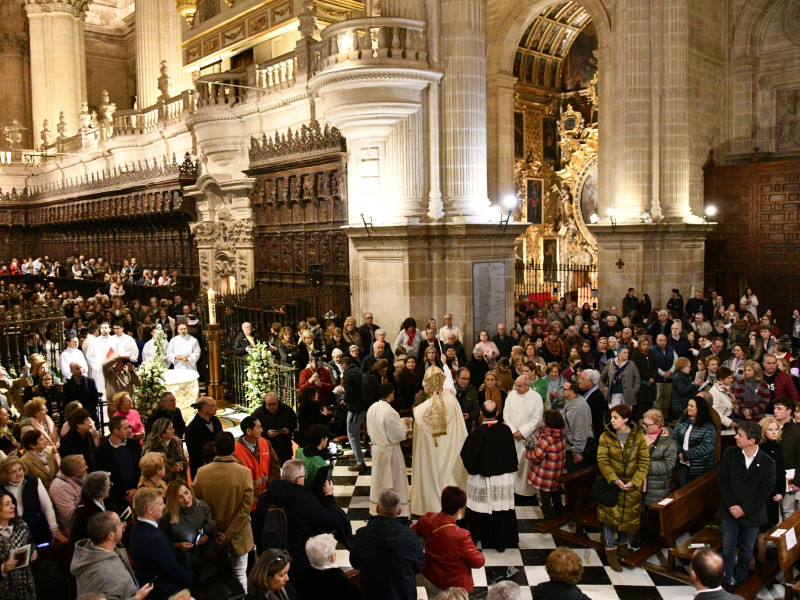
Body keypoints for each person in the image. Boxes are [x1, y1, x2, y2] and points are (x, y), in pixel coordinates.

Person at [192, 432, 255, 591]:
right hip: (239, 534)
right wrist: (228, 534)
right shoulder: (244, 472)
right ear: (234, 449)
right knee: (240, 574)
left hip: (211, 536)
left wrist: (215, 531)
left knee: (216, 578)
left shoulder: (202, 473)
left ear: (215, 449)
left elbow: (195, 505)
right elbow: (245, 509)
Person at [261, 459, 349, 569]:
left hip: (271, 557)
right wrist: (329, 496)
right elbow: (332, 522)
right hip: (300, 558)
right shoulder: (304, 500)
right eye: (304, 476)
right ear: (298, 480)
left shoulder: (265, 497)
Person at [718, 421, 775, 591]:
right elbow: (723, 482)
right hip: (730, 510)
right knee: (728, 547)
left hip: (753, 512)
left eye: (740, 435)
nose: (736, 437)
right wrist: (733, 506)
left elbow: (764, 493)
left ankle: (742, 577)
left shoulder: (767, 463)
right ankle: (727, 577)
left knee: (747, 547)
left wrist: (744, 509)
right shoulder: (730, 454)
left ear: (752, 441)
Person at [459, 399, 518, 551]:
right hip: (503, 479)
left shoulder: (476, 434)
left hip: (482, 479)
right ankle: (501, 541)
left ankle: (479, 536)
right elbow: (511, 454)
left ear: (481, 413)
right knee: (501, 508)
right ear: (497, 413)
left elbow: (466, 456)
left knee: (481, 509)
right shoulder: (505, 431)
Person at [596, 404, 650, 572]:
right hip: (612, 485)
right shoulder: (606, 436)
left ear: (626, 419)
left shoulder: (638, 437)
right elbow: (603, 460)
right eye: (611, 417)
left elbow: (644, 462)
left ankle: (623, 547)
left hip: (631, 486)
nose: (611, 421)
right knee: (609, 519)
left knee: (627, 518)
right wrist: (614, 479)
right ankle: (611, 553)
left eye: (615, 417)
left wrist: (635, 481)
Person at [410, 365, 469, 515]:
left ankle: (430, 506)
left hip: (432, 454)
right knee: (449, 477)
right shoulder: (452, 400)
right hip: (451, 450)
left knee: (435, 477)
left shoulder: (422, 410)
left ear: (428, 387)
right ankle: (454, 509)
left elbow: (419, 425)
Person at [350, 488, 425, 600]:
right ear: (399, 511)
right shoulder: (410, 537)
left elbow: (355, 562)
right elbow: (419, 567)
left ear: (377, 508)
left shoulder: (362, 535)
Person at [411, 486, 484, 597]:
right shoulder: (461, 536)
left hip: (431, 578)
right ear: (459, 511)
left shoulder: (427, 519)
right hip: (454, 588)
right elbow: (479, 561)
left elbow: (410, 535)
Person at [70, 510, 153, 600]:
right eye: (119, 524)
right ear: (111, 536)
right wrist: (137, 598)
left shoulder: (94, 550)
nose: (122, 524)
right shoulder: (104, 575)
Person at [129, 488, 195, 600]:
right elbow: (172, 570)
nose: (164, 506)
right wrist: (192, 578)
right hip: (166, 593)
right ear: (150, 510)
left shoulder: (138, 527)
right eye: (160, 504)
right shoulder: (154, 539)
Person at [366, 382, 410, 515]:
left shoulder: (372, 407)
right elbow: (397, 435)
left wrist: (400, 422)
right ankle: (395, 510)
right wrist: (405, 425)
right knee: (394, 482)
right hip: (390, 452)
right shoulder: (390, 411)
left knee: (379, 481)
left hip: (377, 449)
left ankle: (378, 509)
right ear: (391, 394)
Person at [1, 457, 66, 545]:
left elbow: (47, 506)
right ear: (5, 474)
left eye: (20, 469)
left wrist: (54, 529)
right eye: (13, 472)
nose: (19, 474)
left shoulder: (33, 481)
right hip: (14, 535)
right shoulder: (2, 489)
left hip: (38, 530)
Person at [640, 409, 678, 542]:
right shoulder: (641, 435)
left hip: (657, 486)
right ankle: (639, 540)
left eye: (647, 425)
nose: (644, 427)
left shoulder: (668, 442)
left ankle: (651, 543)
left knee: (652, 518)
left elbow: (669, 464)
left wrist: (645, 466)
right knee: (640, 516)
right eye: (643, 424)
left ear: (658, 424)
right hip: (639, 484)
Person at [503, 375, 544, 497]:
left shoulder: (536, 398)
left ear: (528, 386)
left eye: (520, 386)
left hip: (527, 439)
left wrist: (522, 432)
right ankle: (512, 488)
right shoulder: (511, 395)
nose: (517, 388)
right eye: (516, 385)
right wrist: (513, 431)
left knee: (525, 465)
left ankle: (524, 491)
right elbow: (506, 415)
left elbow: (536, 419)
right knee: (511, 463)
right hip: (512, 437)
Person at [93, 416, 141, 513]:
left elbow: (140, 468)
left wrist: (135, 488)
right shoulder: (101, 451)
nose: (129, 430)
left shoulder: (134, 444)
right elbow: (104, 477)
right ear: (116, 431)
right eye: (126, 428)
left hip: (137, 493)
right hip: (116, 499)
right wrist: (125, 494)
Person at [232, 416, 281, 509]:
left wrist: (270, 490)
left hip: (268, 499)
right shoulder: (235, 451)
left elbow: (275, 467)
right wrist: (261, 493)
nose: (262, 430)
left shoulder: (266, 443)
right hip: (249, 505)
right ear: (249, 431)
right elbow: (242, 479)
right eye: (258, 427)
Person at [526, 410, 567, 520]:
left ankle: (547, 518)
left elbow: (536, 456)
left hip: (546, 472)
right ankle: (560, 512)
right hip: (557, 470)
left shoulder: (547, 437)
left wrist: (527, 452)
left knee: (545, 495)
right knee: (555, 491)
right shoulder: (561, 433)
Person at [0, 489, 38, 600]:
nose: (13, 506)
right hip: (5, 591)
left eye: (12, 502)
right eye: (7, 504)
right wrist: (3, 568)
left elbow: (31, 542)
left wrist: (34, 551)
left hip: (27, 587)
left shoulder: (21, 524)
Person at [672, 397, 717, 487]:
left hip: (701, 467)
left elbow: (707, 446)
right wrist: (680, 452)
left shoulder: (708, 426)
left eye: (691, 406)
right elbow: (675, 437)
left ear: (699, 408)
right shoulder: (682, 420)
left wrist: (687, 455)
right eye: (688, 405)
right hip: (682, 464)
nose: (688, 407)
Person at [252, 392, 297, 466]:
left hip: (284, 447)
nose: (272, 407)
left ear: (278, 402)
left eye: (274, 404)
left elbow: (294, 421)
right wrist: (266, 432)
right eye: (269, 404)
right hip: (266, 448)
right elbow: (253, 428)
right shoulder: (258, 413)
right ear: (265, 402)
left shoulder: (286, 410)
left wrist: (288, 429)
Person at [49, 454, 88, 535]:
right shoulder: (60, 488)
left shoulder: (81, 475)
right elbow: (70, 516)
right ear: (74, 472)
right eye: (83, 466)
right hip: (75, 531)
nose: (86, 467)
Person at [71, 471, 114, 543]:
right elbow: (84, 539)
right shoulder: (82, 513)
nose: (110, 486)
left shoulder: (108, 501)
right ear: (100, 490)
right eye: (108, 485)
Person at [562, 379, 595, 472]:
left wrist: (577, 451)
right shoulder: (571, 402)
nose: (562, 390)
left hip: (579, 450)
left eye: (564, 389)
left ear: (571, 392)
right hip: (571, 447)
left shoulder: (579, 408)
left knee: (577, 479)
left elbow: (580, 432)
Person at [185, 397, 222, 479]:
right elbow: (194, 454)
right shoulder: (192, 428)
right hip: (203, 469)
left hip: (218, 466)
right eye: (213, 406)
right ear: (205, 409)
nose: (216, 408)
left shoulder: (216, 421)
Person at [143, 418, 188, 483]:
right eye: (170, 429)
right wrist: (170, 470)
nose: (174, 431)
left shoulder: (176, 444)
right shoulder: (152, 449)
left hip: (179, 482)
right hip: (162, 485)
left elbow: (184, 461)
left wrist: (181, 465)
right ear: (162, 433)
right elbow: (151, 472)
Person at [454, 368, 480, 432]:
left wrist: (469, 416)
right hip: (452, 423)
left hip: (466, 424)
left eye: (467, 379)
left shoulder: (473, 391)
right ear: (457, 378)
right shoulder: (451, 389)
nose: (465, 381)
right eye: (463, 378)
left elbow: (476, 410)